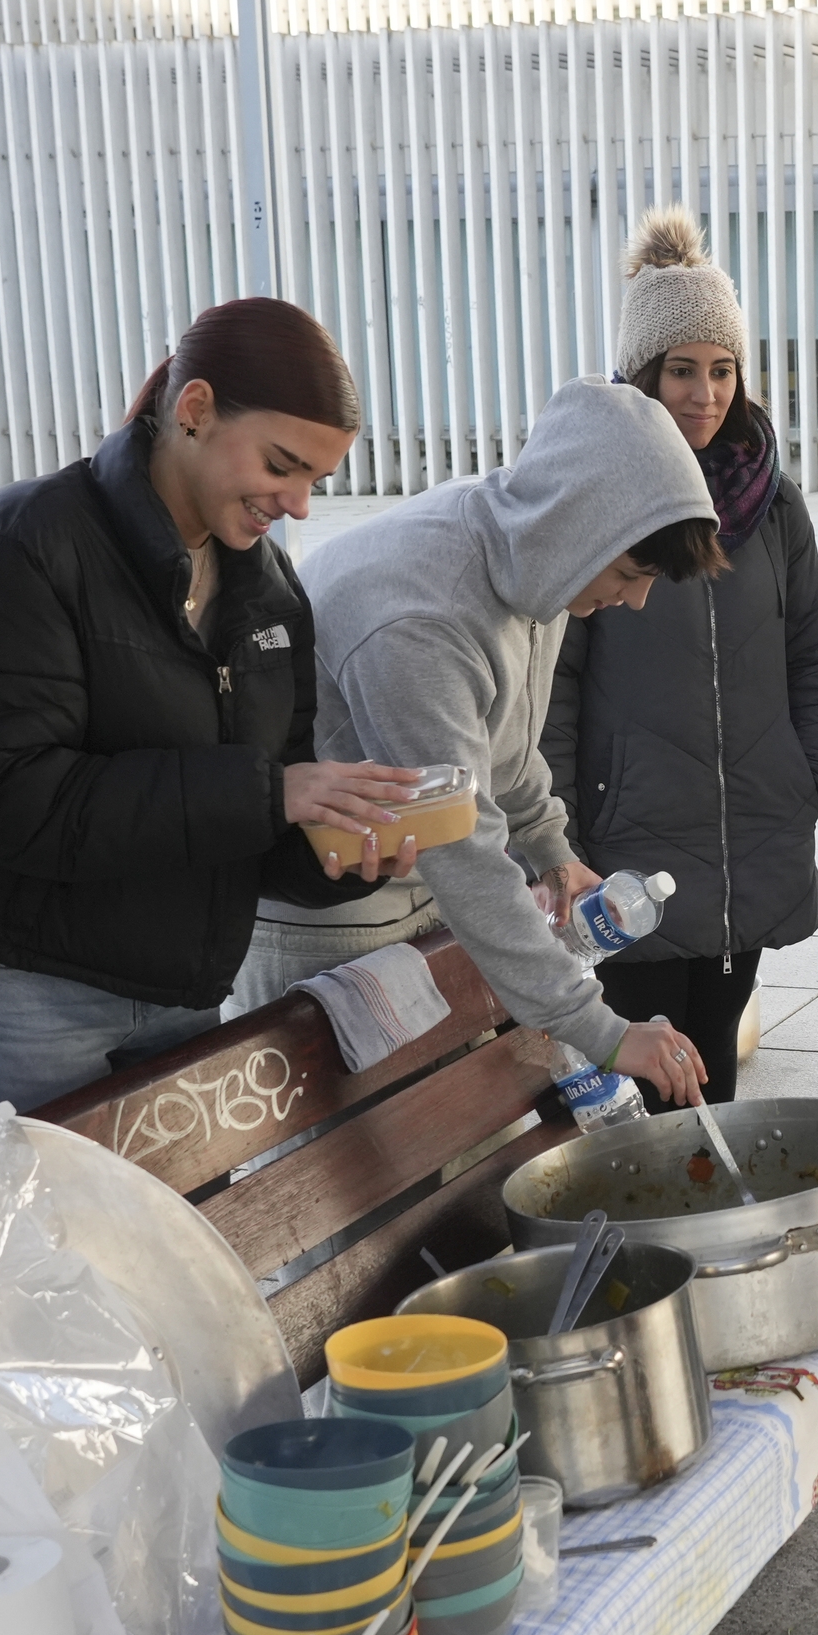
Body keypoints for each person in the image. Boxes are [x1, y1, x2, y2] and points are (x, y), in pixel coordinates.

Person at [0, 298, 423, 1119]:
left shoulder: (272, 593)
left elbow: (252, 817)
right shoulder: (24, 545)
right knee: (35, 1245)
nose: (297, 505)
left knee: (158, 1245)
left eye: (316, 481)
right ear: (196, 410)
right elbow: (9, 799)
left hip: (181, 990)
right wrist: (270, 794)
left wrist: (336, 858)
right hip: (27, 987)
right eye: (281, 466)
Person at [237, 378, 723, 1105]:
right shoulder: (422, 620)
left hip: (416, 891)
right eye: (629, 572)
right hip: (331, 917)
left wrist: (552, 849)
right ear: (576, 526)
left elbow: (506, 745)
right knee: (363, 1198)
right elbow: (462, 850)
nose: (634, 599)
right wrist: (603, 1031)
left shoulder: (532, 560)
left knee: (453, 1160)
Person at [540, 209, 818, 1107]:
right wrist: (557, 824)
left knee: (715, 1049)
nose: (705, 394)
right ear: (643, 375)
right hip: (627, 832)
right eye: (682, 371)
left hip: (752, 826)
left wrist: (813, 770)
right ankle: (659, 1233)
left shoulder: (772, 501)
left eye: (722, 370)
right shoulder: (598, 492)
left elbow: (812, 648)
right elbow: (552, 678)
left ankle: (714, 1235)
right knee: (641, 1068)